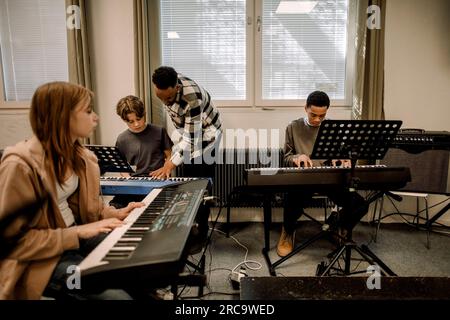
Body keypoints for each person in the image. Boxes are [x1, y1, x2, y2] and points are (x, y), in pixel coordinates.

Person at [0, 82, 143, 300]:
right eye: (87, 111)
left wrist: (116, 214)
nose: (95, 117)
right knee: (115, 297)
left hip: (76, 236)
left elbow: (87, 210)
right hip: (42, 259)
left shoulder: (80, 157)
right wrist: (76, 233)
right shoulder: (19, 165)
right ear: (62, 116)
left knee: (140, 263)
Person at [277, 91, 368, 257]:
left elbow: (341, 154)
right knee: (291, 198)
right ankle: (287, 231)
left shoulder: (332, 127)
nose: (318, 120)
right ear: (305, 108)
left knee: (360, 204)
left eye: (322, 116)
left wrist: (342, 159)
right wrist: (297, 157)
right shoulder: (293, 127)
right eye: (314, 115)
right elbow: (286, 157)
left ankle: (334, 224)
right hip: (304, 179)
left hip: (330, 179)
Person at [150, 66, 222, 181]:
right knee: (188, 177)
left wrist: (170, 164)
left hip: (208, 134)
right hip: (191, 133)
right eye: (160, 98)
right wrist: (173, 156)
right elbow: (186, 134)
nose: (165, 103)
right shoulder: (167, 80)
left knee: (201, 181)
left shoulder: (192, 99)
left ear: (177, 88)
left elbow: (192, 140)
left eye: (168, 98)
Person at [110, 95, 173, 208]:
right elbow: (122, 167)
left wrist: (165, 169)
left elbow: (170, 156)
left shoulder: (159, 132)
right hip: (134, 184)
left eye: (139, 119)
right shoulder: (122, 139)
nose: (136, 124)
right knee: (114, 206)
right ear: (124, 120)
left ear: (144, 114)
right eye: (131, 122)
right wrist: (128, 179)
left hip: (157, 182)